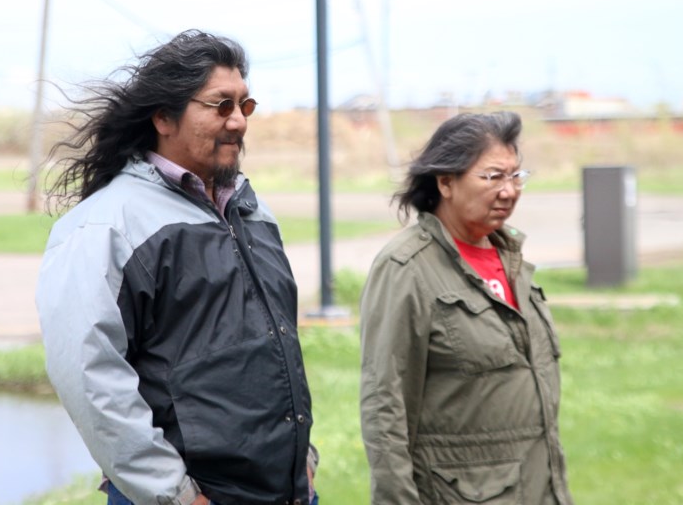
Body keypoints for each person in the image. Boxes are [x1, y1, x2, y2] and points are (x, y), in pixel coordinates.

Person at [35, 30, 317, 505]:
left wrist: (304, 460)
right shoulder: (108, 225)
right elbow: (89, 375)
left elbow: (278, 344)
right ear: (163, 117)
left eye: (244, 106)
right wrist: (175, 494)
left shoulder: (254, 212)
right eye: (220, 105)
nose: (238, 122)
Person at [359, 111, 574, 504]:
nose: (508, 191)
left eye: (516, 176)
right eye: (493, 176)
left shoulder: (512, 261)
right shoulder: (406, 268)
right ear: (445, 182)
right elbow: (384, 407)